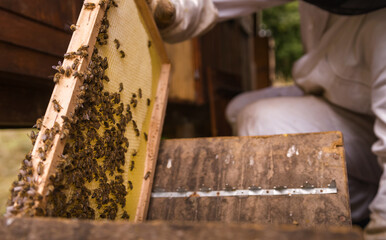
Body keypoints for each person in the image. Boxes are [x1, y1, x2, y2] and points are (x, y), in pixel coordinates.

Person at [147, 0, 386, 238]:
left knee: (259, 121)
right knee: (238, 109)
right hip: (338, 101)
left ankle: (354, 206)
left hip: (373, 131)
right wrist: (175, 8)